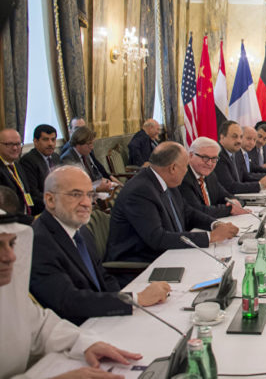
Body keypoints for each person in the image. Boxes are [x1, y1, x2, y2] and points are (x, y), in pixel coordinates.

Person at [0, 213, 142, 379]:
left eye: (11, 244)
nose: (11, 257)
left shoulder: (7, 293)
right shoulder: (43, 240)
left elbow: (42, 327)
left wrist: (85, 343)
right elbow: (68, 300)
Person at [30, 166, 171, 325]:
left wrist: (124, 307)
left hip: (104, 318)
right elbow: (68, 301)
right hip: (77, 329)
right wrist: (137, 299)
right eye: (76, 195)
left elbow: (103, 277)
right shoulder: (38, 241)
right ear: (50, 200)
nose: (86, 203)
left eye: (90, 195)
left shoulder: (81, 230)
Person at [105, 142, 239, 266]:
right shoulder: (140, 191)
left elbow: (188, 212)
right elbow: (158, 238)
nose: (187, 171)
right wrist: (211, 237)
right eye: (185, 166)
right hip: (143, 264)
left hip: (172, 253)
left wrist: (215, 224)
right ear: (173, 168)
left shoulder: (166, 181)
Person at [180, 137, 249, 219]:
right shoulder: (183, 177)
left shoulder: (210, 175)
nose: (209, 163)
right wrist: (230, 209)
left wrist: (236, 203)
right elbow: (199, 211)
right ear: (191, 155)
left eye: (214, 159)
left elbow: (227, 196)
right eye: (205, 158)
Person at [213, 121, 266, 194]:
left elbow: (246, 177)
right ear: (222, 137)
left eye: (241, 137)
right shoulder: (217, 156)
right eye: (234, 136)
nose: (239, 141)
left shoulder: (236, 153)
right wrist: (259, 185)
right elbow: (231, 187)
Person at [61, 127, 120, 193]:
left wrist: (104, 181)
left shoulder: (86, 154)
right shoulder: (67, 159)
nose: (92, 147)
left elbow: (94, 174)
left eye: (92, 143)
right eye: (89, 144)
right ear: (79, 144)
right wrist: (96, 189)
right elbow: (76, 186)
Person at [0, 129, 43, 216]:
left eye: (18, 144)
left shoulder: (17, 166)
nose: (15, 148)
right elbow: (5, 208)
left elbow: (27, 196)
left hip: (28, 214)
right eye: (9, 144)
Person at [20, 124, 62, 197]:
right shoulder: (28, 161)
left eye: (53, 140)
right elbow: (34, 193)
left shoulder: (56, 157)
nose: (50, 144)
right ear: (35, 141)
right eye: (45, 139)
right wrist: (56, 200)